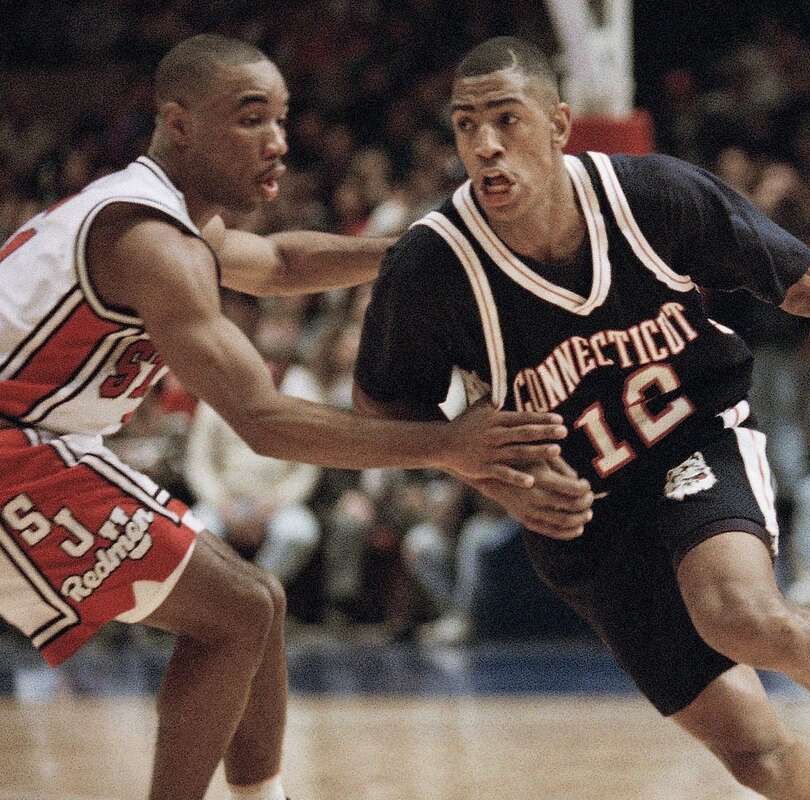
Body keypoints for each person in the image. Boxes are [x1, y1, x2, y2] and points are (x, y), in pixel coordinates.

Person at [353, 36, 810, 800]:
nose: (486, 145)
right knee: (760, 759)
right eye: (466, 125)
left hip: (692, 441)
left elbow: (809, 282)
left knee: (740, 614)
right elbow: (378, 413)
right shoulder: (432, 266)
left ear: (560, 124)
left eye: (506, 119)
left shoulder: (654, 198)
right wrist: (478, 468)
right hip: (581, 520)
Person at [0, 34, 572, 800]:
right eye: (250, 120)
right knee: (238, 610)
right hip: (16, 446)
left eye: (282, 118)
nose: (277, 142)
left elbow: (278, 266)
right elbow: (263, 421)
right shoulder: (146, 242)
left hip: (40, 440)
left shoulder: (170, 219)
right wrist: (446, 445)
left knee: (255, 606)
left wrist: (422, 247)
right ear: (178, 124)